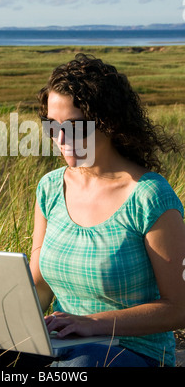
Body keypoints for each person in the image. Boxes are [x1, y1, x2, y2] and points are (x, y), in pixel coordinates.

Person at [29, 53, 185, 367]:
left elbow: (179, 307)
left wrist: (96, 323)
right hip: (63, 344)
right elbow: (40, 285)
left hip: (136, 353)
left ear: (107, 122)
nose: (61, 139)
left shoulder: (150, 196)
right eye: (52, 126)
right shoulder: (49, 188)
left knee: (80, 368)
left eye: (73, 126)